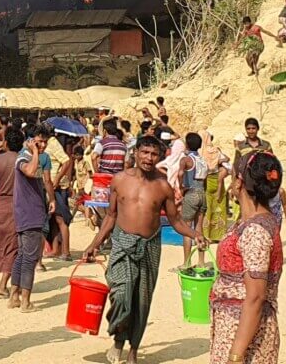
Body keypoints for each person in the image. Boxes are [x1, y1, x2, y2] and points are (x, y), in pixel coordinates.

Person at [83, 135, 206, 364]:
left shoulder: (163, 187)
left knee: (142, 300)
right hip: (122, 243)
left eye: (154, 154)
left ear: (160, 157)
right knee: (122, 293)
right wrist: (94, 245)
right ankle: (119, 341)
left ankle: (133, 351)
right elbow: (110, 216)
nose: (149, 158)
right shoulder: (119, 180)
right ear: (136, 152)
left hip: (150, 245)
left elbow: (176, 220)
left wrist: (195, 234)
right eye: (145, 152)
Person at [209, 151, 284, 364]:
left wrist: (235, 355)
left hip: (244, 335)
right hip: (237, 327)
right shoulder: (257, 221)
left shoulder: (255, 231)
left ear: (239, 182)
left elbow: (256, 297)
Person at [9, 125, 54, 312]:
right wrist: (35, 152)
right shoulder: (24, 157)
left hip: (28, 212)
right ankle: (25, 301)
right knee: (29, 258)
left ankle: (14, 297)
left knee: (22, 256)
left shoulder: (29, 156)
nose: (42, 145)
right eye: (39, 141)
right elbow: (29, 171)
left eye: (44, 142)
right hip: (30, 214)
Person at [0, 126, 23, 298]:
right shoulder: (23, 160)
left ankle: (9, 280)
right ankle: (3, 284)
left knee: (4, 242)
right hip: (17, 205)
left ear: (6, 142)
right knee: (13, 246)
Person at [177, 132, 212, 267]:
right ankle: (201, 262)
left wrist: (180, 187)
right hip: (202, 193)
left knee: (187, 229)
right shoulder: (203, 160)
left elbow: (180, 173)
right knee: (199, 229)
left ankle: (186, 262)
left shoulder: (186, 160)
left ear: (187, 144)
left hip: (191, 193)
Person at [201, 132, 232, 242]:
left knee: (208, 209)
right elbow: (227, 158)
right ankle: (219, 235)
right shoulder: (216, 150)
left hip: (208, 181)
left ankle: (207, 234)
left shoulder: (202, 152)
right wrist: (219, 161)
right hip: (218, 179)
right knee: (219, 208)